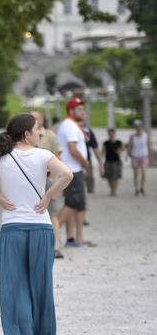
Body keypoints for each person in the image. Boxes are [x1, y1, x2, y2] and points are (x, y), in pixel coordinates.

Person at [0, 113, 72, 335]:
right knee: (41, 283)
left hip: (12, 227)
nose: (41, 132)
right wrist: (47, 196)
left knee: (15, 285)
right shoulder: (44, 155)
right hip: (41, 226)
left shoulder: (1, 157)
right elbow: (67, 175)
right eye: (37, 129)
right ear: (27, 133)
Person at [56, 98, 95, 247]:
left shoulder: (71, 125)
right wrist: (85, 163)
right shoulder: (70, 126)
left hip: (73, 169)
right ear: (71, 111)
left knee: (77, 204)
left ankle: (76, 238)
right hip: (72, 170)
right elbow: (73, 150)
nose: (83, 111)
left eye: (83, 109)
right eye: (79, 109)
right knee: (73, 203)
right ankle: (51, 233)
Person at [33, 110, 64, 259]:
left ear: (42, 119)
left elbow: (57, 155)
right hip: (31, 179)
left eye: (36, 118)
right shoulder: (25, 136)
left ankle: (56, 245)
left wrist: (52, 176)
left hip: (46, 178)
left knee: (52, 212)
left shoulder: (49, 136)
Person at [81, 125, 104, 194]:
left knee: (89, 178)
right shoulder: (68, 128)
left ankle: (89, 192)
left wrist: (100, 164)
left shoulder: (87, 130)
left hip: (86, 160)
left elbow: (95, 148)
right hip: (72, 162)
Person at [128, 120, 148, 196]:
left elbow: (148, 145)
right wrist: (128, 154)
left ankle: (142, 187)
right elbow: (130, 146)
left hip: (144, 155)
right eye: (136, 127)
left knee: (143, 172)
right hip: (135, 155)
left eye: (139, 126)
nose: (138, 128)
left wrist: (150, 156)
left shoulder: (145, 135)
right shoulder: (132, 136)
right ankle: (137, 189)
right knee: (136, 174)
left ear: (141, 127)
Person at [102, 128, 124, 197]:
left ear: (114, 134)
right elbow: (103, 151)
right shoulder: (106, 143)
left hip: (116, 161)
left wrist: (120, 151)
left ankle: (114, 190)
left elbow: (122, 149)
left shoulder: (118, 142)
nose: (111, 135)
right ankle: (112, 189)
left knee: (115, 177)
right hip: (108, 161)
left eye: (112, 134)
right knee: (109, 177)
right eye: (109, 134)